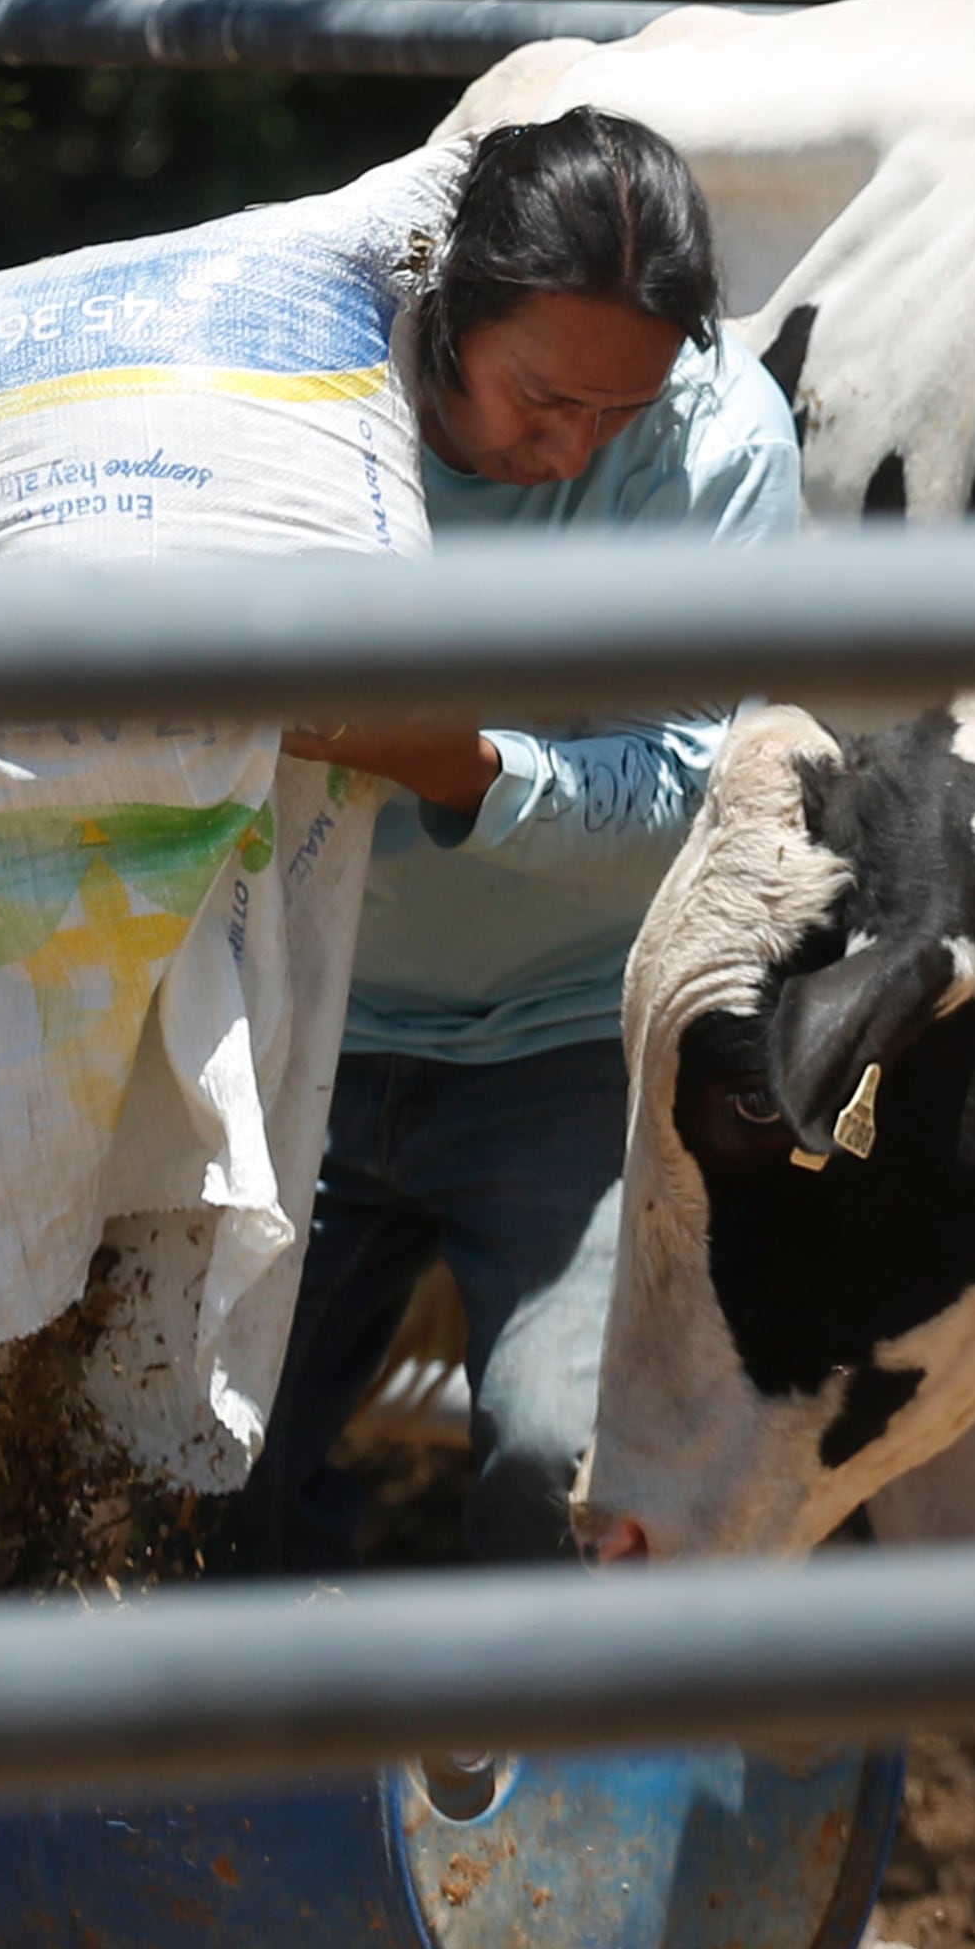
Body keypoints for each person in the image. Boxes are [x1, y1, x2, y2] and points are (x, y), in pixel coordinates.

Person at [223, 106, 800, 1570]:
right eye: (543, 399)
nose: (576, 445)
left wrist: (461, 767)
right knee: (195, 1465)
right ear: (447, 316)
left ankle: (510, 1784)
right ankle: (257, 1773)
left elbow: (690, 788)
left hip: (571, 1033)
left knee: (567, 1468)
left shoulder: (717, 439)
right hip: (293, 1007)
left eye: (620, 411)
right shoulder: (293, 384)